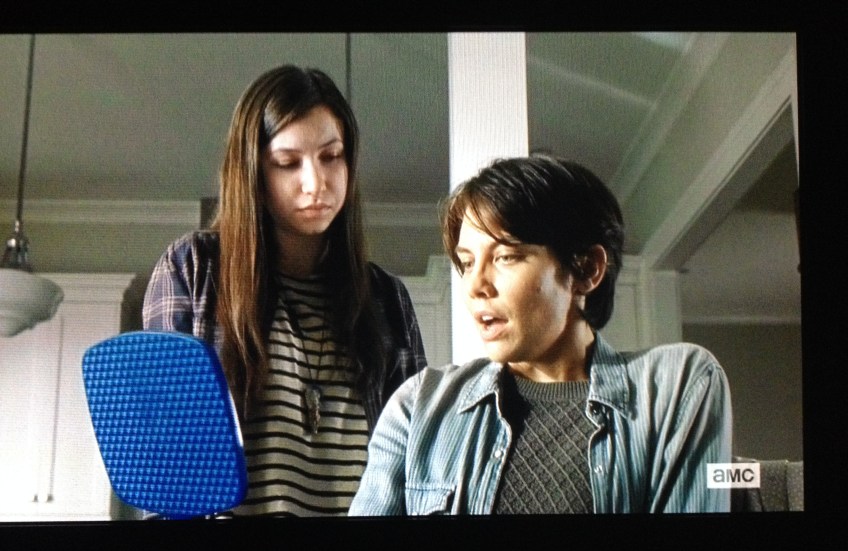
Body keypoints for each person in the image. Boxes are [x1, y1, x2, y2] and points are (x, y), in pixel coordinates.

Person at [349, 155, 732, 515]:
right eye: (467, 263)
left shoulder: (676, 384)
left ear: (586, 270)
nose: (475, 285)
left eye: (505, 257)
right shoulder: (418, 406)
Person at [143, 65, 427, 516]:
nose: (316, 183)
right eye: (288, 163)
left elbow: (418, 465)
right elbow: (164, 462)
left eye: (331, 156)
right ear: (253, 172)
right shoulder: (193, 269)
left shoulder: (386, 299)